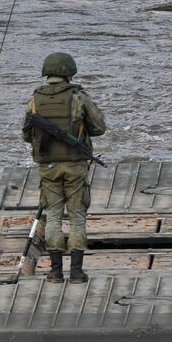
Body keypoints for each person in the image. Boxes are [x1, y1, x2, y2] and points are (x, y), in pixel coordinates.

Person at [21, 51, 106, 284]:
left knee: (54, 216)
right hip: (76, 165)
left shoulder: (35, 99)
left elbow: (27, 134)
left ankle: (55, 272)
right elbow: (99, 127)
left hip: (48, 167)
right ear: (70, 72)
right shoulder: (79, 97)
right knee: (77, 217)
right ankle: (77, 272)